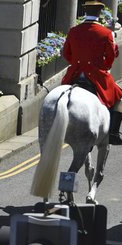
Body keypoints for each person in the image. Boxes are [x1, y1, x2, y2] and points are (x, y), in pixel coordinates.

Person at [62, 0, 122, 144]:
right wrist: (104, 67)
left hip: (74, 74)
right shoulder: (106, 33)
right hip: (96, 76)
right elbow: (110, 58)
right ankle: (113, 134)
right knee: (120, 97)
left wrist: (76, 63)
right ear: (99, 13)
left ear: (85, 12)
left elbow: (66, 54)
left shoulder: (73, 30)